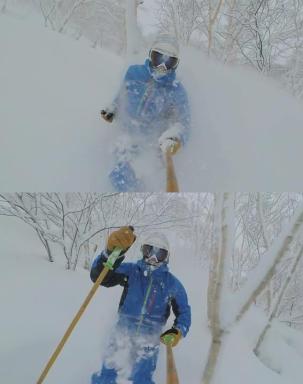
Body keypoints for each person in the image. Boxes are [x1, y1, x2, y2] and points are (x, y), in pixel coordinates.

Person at [90, 227, 191, 384]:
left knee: (142, 379)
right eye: (149, 251)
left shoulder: (171, 283)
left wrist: (178, 330)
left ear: (167, 257)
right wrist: (111, 254)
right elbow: (101, 276)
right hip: (122, 331)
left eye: (160, 254)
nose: (153, 258)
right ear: (143, 251)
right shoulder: (132, 271)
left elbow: (184, 312)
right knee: (108, 374)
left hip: (149, 337)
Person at [100, 35, 191, 191]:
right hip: (128, 133)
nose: (162, 66)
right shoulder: (134, 72)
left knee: (148, 176)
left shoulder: (177, 91)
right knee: (119, 176)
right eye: (158, 57)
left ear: (175, 64)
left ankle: (146, 192)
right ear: (150, 55)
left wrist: (176, 137)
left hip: (152, 142)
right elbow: (122, 95)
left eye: (169, 61)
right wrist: (113, 109)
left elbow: (184, 123)